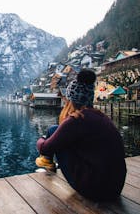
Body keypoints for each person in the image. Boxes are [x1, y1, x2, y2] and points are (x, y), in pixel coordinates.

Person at [35, 69, 127, 201]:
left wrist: (42, 139)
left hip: (95, 189)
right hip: (116, 187)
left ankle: (47, 162)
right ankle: (48, 161)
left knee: (55, 138)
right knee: (55, 129)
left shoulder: (76, 120)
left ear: (71, 100)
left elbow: (44, 148)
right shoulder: (101, 117)